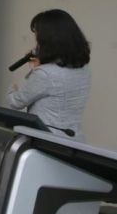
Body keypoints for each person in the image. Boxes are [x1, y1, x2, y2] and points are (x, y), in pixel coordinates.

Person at [8, 9, 91, 140]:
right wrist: (38, 66)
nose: (36, 43)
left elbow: (16, 102)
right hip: (74, 140)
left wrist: (13, 86)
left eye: (38, 38)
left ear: (47, 40)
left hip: (48, 143)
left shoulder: (44, 74)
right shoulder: (83, 68)